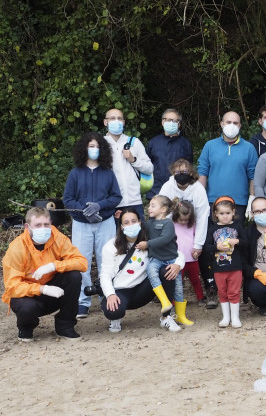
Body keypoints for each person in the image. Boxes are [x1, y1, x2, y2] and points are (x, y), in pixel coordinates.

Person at [2, 207, 87, 342]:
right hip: (28, 297)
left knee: (74, 275)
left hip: (54, 293)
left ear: (51, 223)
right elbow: (12, 287)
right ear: (27, 226)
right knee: (26, 307)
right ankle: (25, 328)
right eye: (38, 225)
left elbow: (82, 263)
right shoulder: (16, 248)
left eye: (46, 224)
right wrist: (42, 289)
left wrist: (54, 265)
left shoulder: (58, 237)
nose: (43, 228)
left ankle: (65, 326)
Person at [63, 131, 122, 319]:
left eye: (97, 146)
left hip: (105, 222)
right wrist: (84, 211)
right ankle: (83, 301)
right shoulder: (75, 173)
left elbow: (116, 197)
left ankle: (107, 295)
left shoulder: (108, 173)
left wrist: (100, 206)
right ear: (84, 148)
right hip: (81, 224)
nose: (94, 149)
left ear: (102, 149)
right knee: (82, 262)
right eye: (90, 146)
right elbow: (68, 199)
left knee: (108, 260)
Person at [99, 208, 183, 333]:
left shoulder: (149, 242)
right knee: (113, 311)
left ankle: (166, 316)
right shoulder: (111, 246)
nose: (130, 225)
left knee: (166, 271)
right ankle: (116, 319)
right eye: (126, 223)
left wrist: (178, 264)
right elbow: (104, 274)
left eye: (134, 221)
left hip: (144, 289)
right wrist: (110, 294)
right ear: (121, 227)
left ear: (140, 222)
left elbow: (177, 253)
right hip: (120, 290)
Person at [158, 159, 213, 307]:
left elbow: (202, 217)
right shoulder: (167, 187)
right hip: (173, 233)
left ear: (191, 173)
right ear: (172, 173)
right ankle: (167, 294)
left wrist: (198, 244)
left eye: (184, 172)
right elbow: (162, 212)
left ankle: (208, 290)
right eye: (177, 172)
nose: (181, 175)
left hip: (193, 231)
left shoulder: (198, 189)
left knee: (198, 269)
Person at [197, 111, 258, 219]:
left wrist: (252, 200)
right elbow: (202, 173)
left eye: (235, 123)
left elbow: (253, 176)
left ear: (240, 125)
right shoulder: (210, 146)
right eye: (228, 122)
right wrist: (199, 198)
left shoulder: (249, 148)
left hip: (239, 203)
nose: (232, 125)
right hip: (212, 202)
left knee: (236, 236)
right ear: (221, 124)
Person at [139, 195, 189, 326]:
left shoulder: (168, 223)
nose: (149, 208)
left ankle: (180, 316)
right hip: (156, 259)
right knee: (151, 271)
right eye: (149, 205)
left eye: (153, 205)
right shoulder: (149, 224)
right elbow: (139, 227)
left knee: (178, 288)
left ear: (163, 209)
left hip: (171, 259)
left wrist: (147, 244)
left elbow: (164, 239)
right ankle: (164, 301)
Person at [203, 196, 247, 328]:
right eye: (221, 213)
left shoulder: (237, 227)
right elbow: (206, 248)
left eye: (228, 213)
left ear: (233, 212)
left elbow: (246, 243)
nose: (225, 216)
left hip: (235, 267)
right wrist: (217, 247)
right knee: (222, 292)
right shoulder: (212, 229)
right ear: (215, 214)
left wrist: (237, 241)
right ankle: (225, 317)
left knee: (234, 291)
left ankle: (235, 317)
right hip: (219, 267)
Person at [103, 108, 154, 220]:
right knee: (114, 237)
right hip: (110, 202)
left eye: (119, 118)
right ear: (105, 122)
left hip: (134, 201)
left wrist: (133, 160)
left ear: (124, 122)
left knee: (139, 236)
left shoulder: (134, 142)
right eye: (112, 118)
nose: (116, 121)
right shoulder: (100, 144)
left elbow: (149, 168)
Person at [145, 108, 193, 199]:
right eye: (169, 120)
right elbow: (146, 166)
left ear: (179, 124)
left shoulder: (185, 144)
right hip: (156, 192)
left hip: (178, 192)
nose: (172, 123)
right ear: (163, 122)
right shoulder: (153, 143)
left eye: (175, 121)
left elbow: (189, 167)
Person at [173, 200, 204, 308]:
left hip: (192, 258)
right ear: (176, 216)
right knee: (177, 282)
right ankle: (174, 302)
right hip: (177, 261)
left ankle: (201, 298)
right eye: (181, 219)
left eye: (186, 219)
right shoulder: (172, 225)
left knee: (195, 279)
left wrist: (197, 251)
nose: (184, 222)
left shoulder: (193, 225)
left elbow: (198, 237)